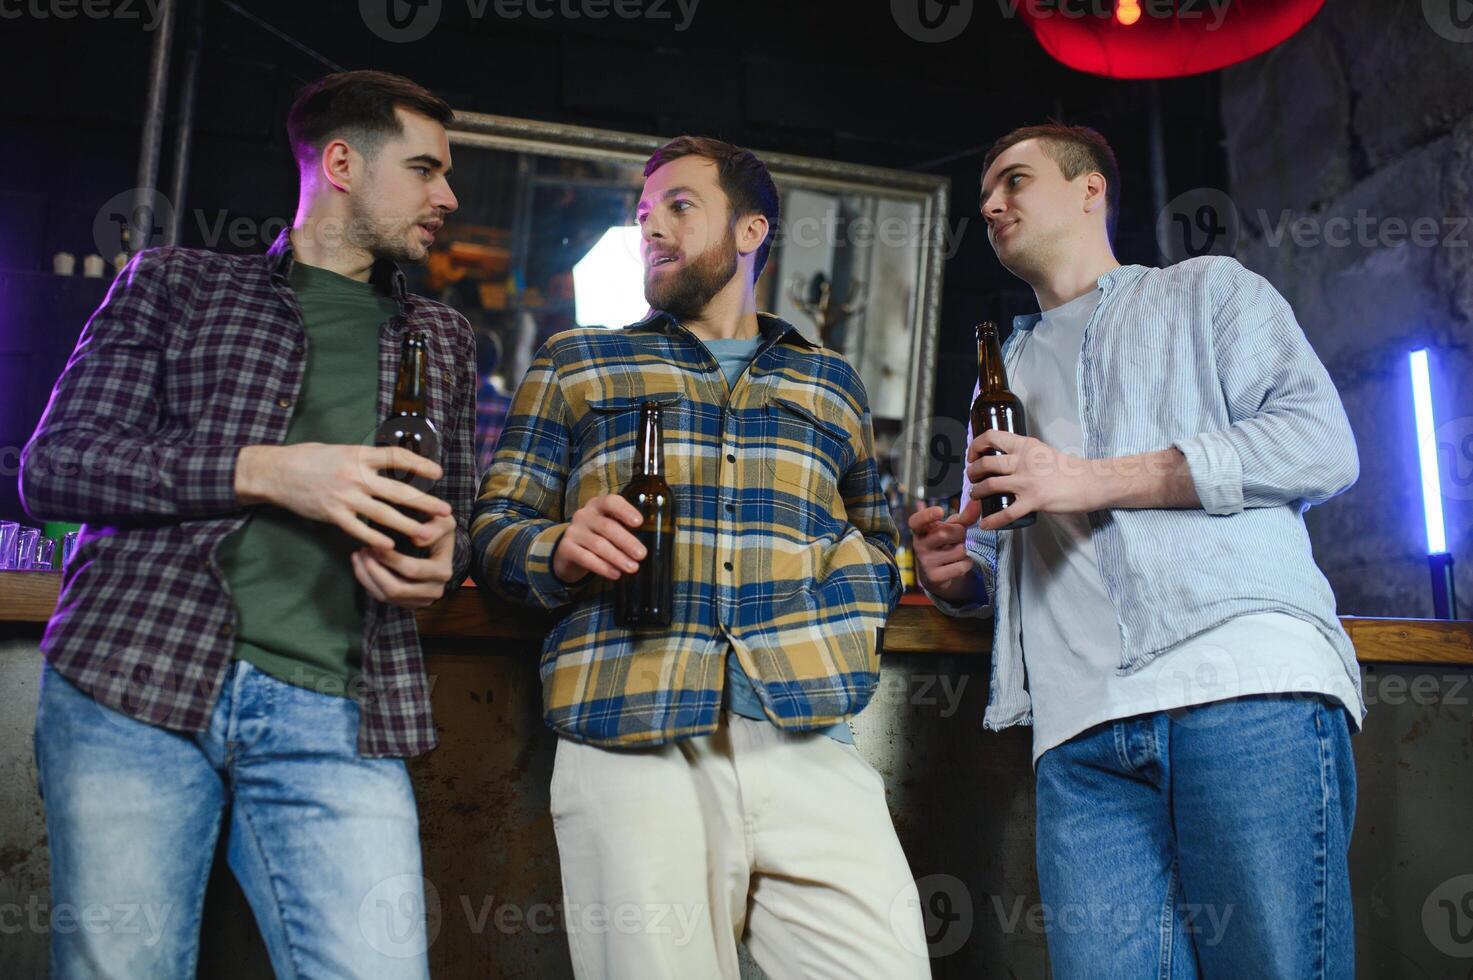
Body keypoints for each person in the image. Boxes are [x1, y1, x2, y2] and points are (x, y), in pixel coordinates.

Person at [21, 70, 476, 978]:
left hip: (340, 709)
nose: (447, 197)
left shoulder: (444, 338)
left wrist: (441, 558)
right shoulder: (178, 285)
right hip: (135, 677)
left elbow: (451, 512)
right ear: (342, 162)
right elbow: (56, 467)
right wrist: (266, 472)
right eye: (425, 170)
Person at [472, 135, 930, 979]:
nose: (653, 228)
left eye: (680, 206)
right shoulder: (578, 364)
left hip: (805, 733)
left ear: (750, 230)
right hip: (630, 730)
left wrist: (845, 603)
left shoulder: (829, 381)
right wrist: (557, 547)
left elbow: (877, 535)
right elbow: (496, 524)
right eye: (644, 214)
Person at [912, 123, 1362, 979]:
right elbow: (1018, 552)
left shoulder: (1207, 292)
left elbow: (1319, 443)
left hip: (1240, 690)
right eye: (983, 197)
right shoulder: (997, 372)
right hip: (1078, 735)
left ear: (1091, 191)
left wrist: (1089, 477)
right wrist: (960, 576)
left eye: (1013, 180)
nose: (992, 205)